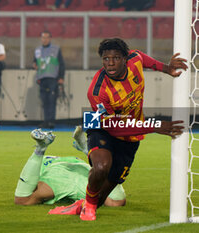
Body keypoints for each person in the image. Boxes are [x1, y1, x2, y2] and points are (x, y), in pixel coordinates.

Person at [51, 38, 188, 221]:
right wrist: (154, 125)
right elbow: (114, 127)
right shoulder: (97, 91)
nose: (110, 63)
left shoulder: (135, 59)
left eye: (115, 58)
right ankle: (89, 208)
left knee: (101, 196)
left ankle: (82, 205)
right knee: (101, 167)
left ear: (125, 58)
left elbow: (144, 58)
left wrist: (166, 68)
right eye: (106, 59)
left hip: (131, 133)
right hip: (103, 126)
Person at [14, 127, 126, 209]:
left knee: (23, 200)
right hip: (84, 171)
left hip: (57, 175)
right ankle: (87, 149)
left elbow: (29, 183)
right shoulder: (72, 160)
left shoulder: (46, 163)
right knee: (117, 202)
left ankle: (40, 148)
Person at [33, 31, 65, 129]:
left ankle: (51, 121)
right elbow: (35, 62)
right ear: (41, 39)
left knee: (52, 100)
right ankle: (46, 121)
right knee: (44, 100)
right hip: (42, 79)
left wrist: (61, 77)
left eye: (47, 37)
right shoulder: (37, 50)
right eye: (43, 37)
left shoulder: (56, 49)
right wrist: (34, 65)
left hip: (53, 78)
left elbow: (62, 64)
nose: (45, 39)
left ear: (50, 38)